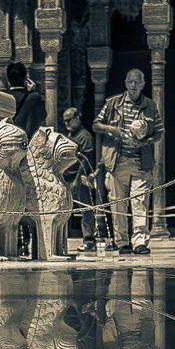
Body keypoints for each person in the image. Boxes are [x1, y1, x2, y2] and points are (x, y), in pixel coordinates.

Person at [93, 68, 164, 255]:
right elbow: (96, 125)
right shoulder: (112, 104)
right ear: (126, 83)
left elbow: (159, 132)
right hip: (118, 160)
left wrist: (146, 141)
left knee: (140, 201)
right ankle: (122, 241)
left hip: (141, 161)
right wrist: (112, 129)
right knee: (118, 203)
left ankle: (140, 242)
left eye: (137, 82)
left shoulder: (150, 106)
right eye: (130, 82)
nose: (133, 85)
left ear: (143, 84)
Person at [6, 62, 46, 256]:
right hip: (28, 153)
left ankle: (15, 240)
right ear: (24, 78)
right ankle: (30, 238)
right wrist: (34, 91)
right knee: (30, 195)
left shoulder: (3, 98)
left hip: (5, 155)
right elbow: (43, 117)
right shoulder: (34, 98)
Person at [61, 107, 101, 252]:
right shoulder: (69, 135)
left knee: (86, 210)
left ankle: (89, 240)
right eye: (64, 121)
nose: (66, 124)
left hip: (80, 178)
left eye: (69, 120)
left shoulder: (85, 136)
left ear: (78, 118)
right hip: (66, 179)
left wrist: (76, 181)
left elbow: (85, 160)